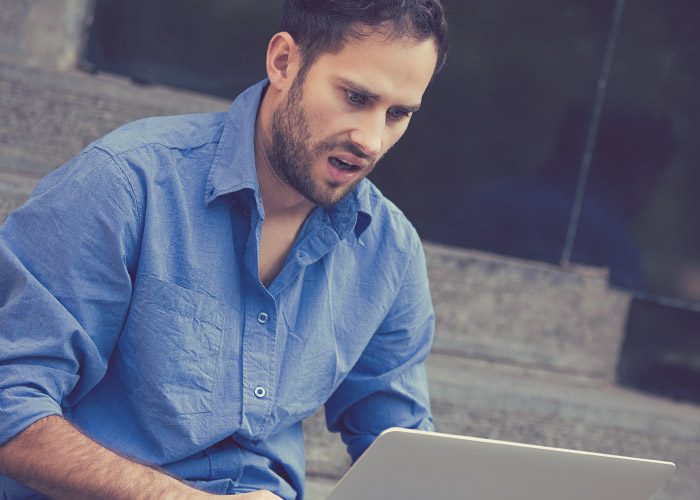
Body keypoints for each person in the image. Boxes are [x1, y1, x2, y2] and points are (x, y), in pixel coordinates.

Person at [0, 1, 449, 498]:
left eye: (398, 113)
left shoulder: (389, 249)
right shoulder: (127, 183)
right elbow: (9, 404)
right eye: (355, 97)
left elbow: (404, 450)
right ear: (284, 63)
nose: (371, 139)